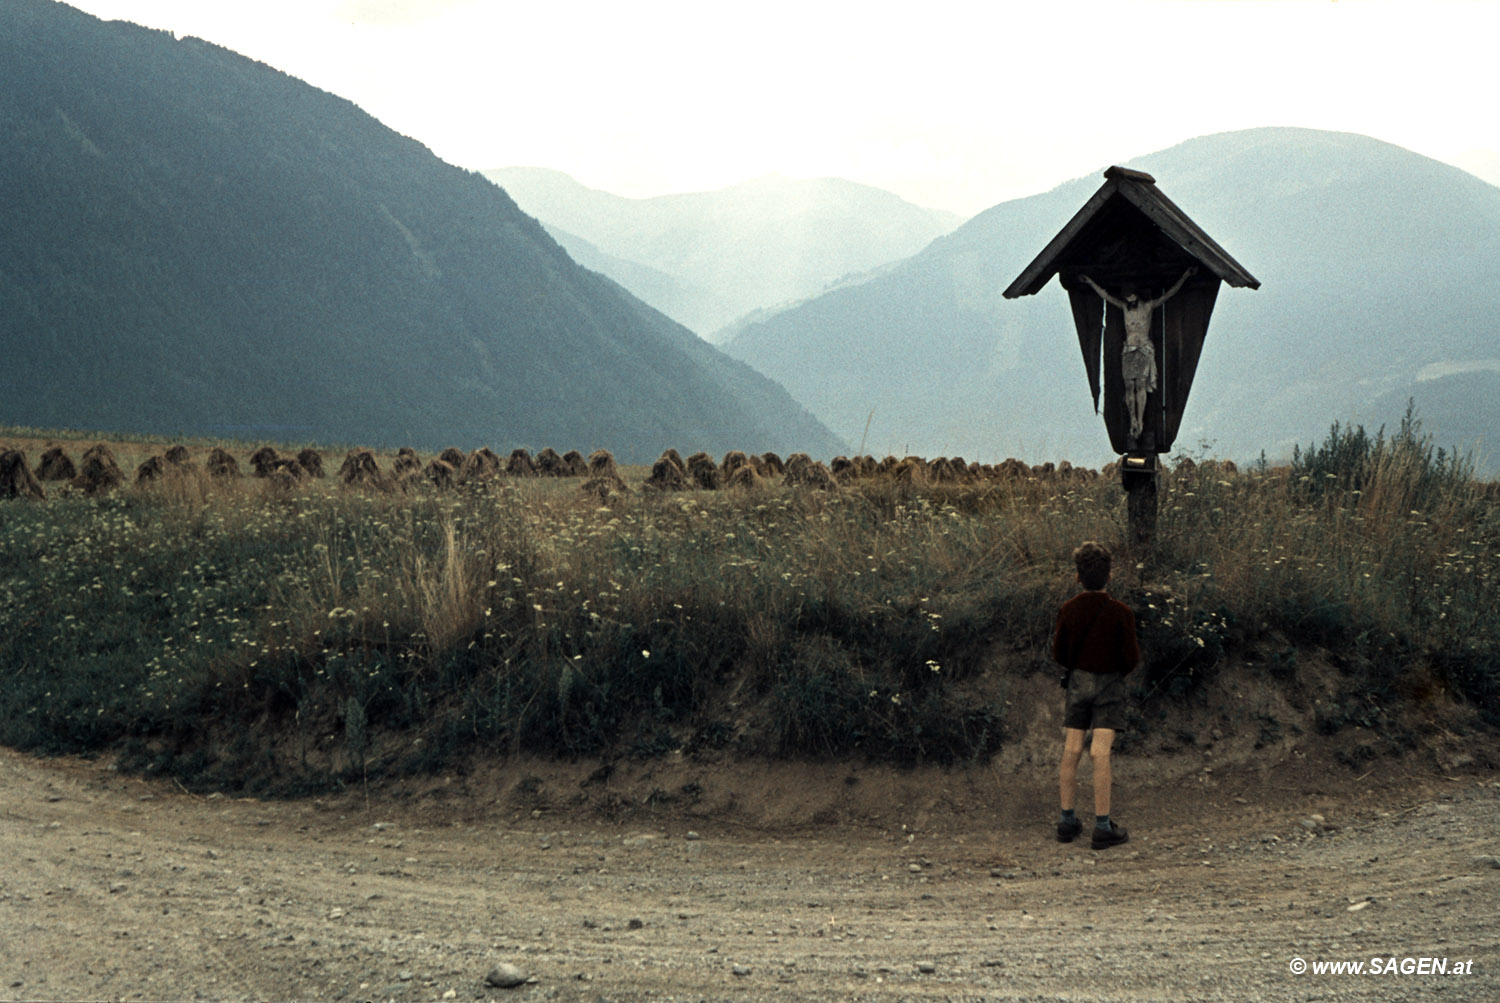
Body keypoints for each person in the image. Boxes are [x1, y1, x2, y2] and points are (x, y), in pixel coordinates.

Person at [1051, 541, 1141, 849]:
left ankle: (1066, 821)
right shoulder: (1122, 613)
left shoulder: (1068, 610)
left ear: (1077, 577)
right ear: (1110, 576)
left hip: (1078, 683)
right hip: (1109, 685)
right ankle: (1102, 826)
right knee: (1100, 753)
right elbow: (1131, 657)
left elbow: (1058, 652)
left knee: (1072, 749)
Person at [1079, 268, 1196, 441]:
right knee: (1128, 387)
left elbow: (1169, 294)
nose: (1128, 300)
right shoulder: (1125, 308)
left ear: (1136, 296)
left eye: (1130, 297)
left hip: (1142, 349)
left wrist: (1185, 276)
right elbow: (1106, 297)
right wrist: (1090, 282)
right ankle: (1132, 419)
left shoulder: (1147, 307)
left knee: (1140, 386)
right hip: (1129, 350)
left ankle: (1140, 421)